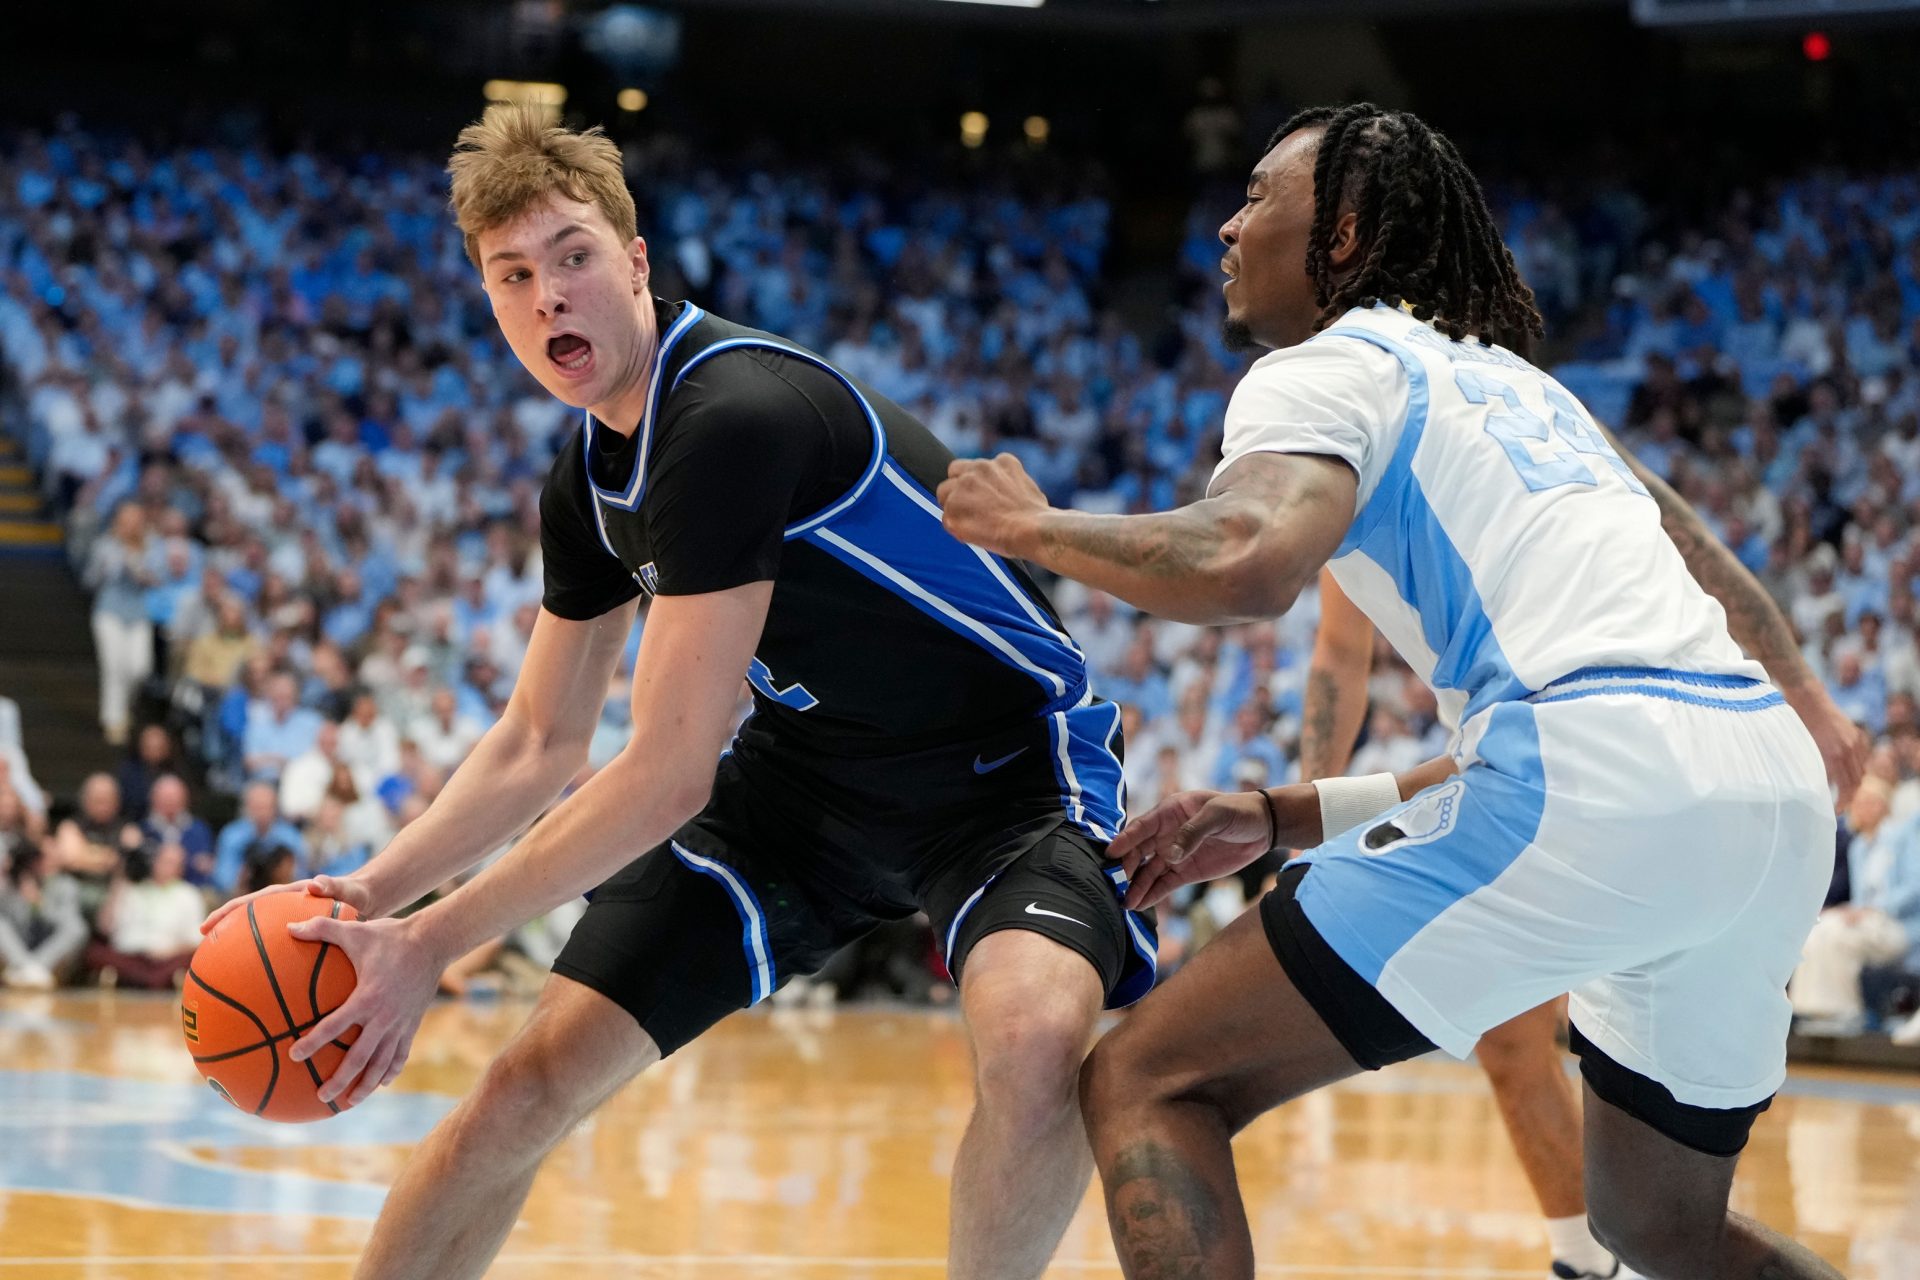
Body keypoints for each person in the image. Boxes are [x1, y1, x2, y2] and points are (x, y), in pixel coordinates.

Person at [206, 103, 1152, 1280]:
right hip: (808, 785)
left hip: (1007, 772)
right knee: (524, 1082)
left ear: (636, 262)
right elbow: (538, 738)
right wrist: (373, 893)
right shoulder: (589, 475)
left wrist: (435, 941)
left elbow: (665, 768)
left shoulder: (730, 415)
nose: (549, 294)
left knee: (1036, 1038)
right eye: (515, 275)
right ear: (492, 305)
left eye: (573, 256)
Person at [940, 104, 1845, 1280]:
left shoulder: (1326, 367)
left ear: (1349, 229)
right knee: (1655, 1225)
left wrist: (1033, 525)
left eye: (1260, 195)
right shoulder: (1529, 391)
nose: (1225, 224)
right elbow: (1696, 599)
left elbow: (1249, 560)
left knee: (1152, 1075)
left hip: (1595, 784)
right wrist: (1283, 813)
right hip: (1767, 799)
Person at [1301, 553, 1866, 1278]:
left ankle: (1615, 1251)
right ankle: (1586, 1259)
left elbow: (1696, 551)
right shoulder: (1346, 477)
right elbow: (1340, 653)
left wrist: (1808, 694)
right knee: (1518, 1052)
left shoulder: (1550, 446)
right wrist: (1311, 818)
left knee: (1665, 1166)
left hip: (1621, 740)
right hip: (1511, 759)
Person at [1790, 778, 1920, 1039]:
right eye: (1859, 803)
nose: (1864, 809)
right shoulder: (1858, 847)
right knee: (1818, 929)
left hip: (1900, 926)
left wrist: (1874, 909)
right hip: (1869, 922)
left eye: (1871, 802)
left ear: (1884, 806)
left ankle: (1846, 1012)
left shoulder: (1903, 838)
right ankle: (1815, 1011)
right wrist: (1851, 911)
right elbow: (1860, 899)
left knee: (1837, 935)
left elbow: (1915, 886)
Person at [85, 502, 156, 746]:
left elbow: (159, 578)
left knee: (139, 667)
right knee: (114, 667)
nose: (131, 526)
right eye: (126, 520)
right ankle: (113, 719)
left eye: (136, 520)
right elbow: (90, 579)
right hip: (109, 611)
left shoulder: (151, 546)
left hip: (138, 613)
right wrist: (111, 566)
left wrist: (142, 572)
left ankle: (124, 707)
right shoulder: (105, 545)